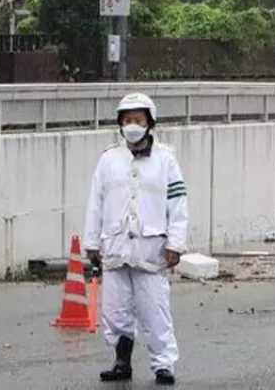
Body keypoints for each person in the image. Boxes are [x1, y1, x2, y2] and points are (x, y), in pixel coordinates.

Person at [84, 93, 188, 386]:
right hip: (115, 247)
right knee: (115, 311)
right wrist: (92, 243)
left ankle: (163, 365)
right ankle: (121, 361)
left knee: (155, 310)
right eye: (127, 120)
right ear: (120, 124)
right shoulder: (108, 160)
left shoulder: (166, 160)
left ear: (149, 123)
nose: (132, 125)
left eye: (138, 120)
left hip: (151, 250)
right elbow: (96, 202)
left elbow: (178, 204)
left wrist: (175, 244)